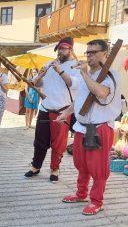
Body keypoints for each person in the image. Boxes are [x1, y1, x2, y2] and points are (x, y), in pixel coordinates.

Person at [57, 39, 121, 215]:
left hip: (98, 128)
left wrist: (84, 74)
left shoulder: (111, 75)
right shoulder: (89, 74)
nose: (90, 56)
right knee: (81, 163)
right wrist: (66, 113)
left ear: (105, 54)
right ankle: (81, 194)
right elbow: (81, 101)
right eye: (88, 52)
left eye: (94, 52)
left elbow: (100, 93)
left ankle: (96, 201)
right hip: (82, 126)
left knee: (97, 167)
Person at [24, 37, 80, 183]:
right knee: (39, 141)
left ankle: (55, 169)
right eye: (59, 49)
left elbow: (73, 84)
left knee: (59, 143)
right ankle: (36, 166)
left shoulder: (76, 66)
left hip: (63, 110)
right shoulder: (49, 63)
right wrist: (40, 76)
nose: (60, 51)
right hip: (44, 107)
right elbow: (37, 82)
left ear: (71, 50)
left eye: (63, 48)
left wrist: (60, 71)